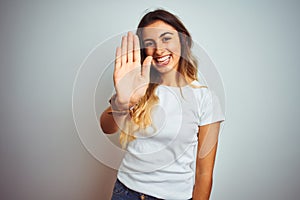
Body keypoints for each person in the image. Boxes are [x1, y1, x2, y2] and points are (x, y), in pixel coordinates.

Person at [100, 9, 225, 200]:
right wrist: (123, 101)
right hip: (125, 192)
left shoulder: (205, 99)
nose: (158, 50)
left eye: (166, 39)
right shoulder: (137, 85)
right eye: (150, 43)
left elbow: (204, 174)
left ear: (183, 42)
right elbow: (106, 127)